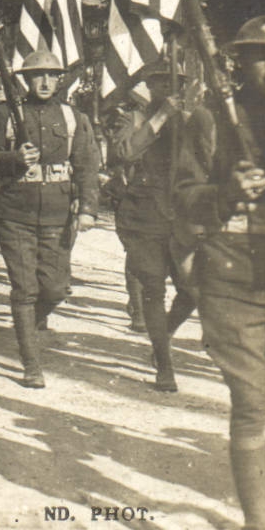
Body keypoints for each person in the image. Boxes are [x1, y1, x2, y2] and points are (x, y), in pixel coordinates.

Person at [173, 15, 265, 530]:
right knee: (251, 404)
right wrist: (225, 192)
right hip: (231, 276)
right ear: (238, 62)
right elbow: (183, 196)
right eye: (261, 57)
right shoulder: (210, 118)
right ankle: (257, 524)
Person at [0, 50, 98, 388]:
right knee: (25, 288)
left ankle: (26, 328)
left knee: (56, 288)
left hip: (57, 215)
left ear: (60, 79)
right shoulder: (7, 114)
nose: (45, 82)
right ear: (26, 80)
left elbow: (87, 165)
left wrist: (88, 208)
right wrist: (14, 157)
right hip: (15, 212)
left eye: (51, 75)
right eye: (37, 76)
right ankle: (31, 364)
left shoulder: (73, 117)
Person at [111, 61, 196, 391]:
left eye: (176, 84)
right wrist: (160, 118)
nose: (170, 89)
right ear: (150, 86)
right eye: (162, 83)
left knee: (192, 289)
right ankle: (164, 364)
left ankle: (165, 334)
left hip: (181, 217)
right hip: (144, 217)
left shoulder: (189, 122)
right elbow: (124, 153)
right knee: (153, 290)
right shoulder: (133, 119)